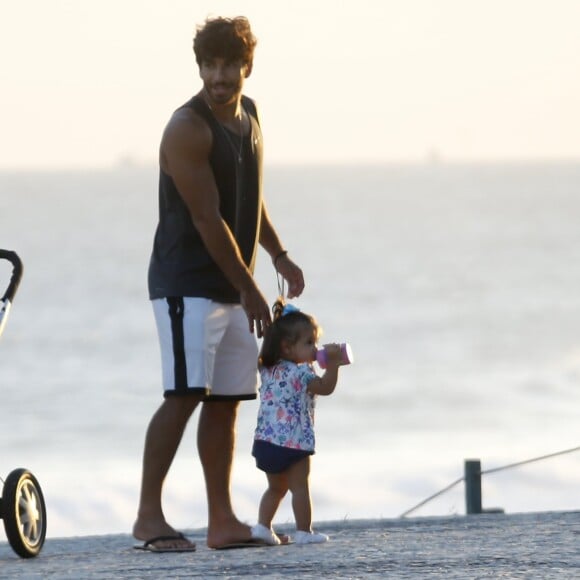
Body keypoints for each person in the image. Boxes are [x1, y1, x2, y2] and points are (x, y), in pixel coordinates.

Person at [132, 16, 304, 552]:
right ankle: (147, 518)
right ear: (200, 67)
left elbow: (250, 201)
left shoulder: (249, 117)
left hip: (232, 284)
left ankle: (221, 521)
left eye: (229, 64)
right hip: (187, 283)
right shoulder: (187, 128)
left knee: (227, 399)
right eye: (210, 64)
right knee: (184, 394)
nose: (220, 75)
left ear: (246, 67)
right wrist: (252, 289)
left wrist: (278, 253)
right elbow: (208, 219)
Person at [250, 300, 342, 545]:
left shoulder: (268, 368)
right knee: (300, 487)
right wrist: (333, 364)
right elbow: (326, 387)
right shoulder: (301, 373)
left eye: (316, 342)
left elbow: (264, 353)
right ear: (287, 348)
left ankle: (262, 527)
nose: (315, 349)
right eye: (309, 343)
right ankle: (304, 531)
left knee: (276, 488)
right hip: (293, 442)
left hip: (266, 442)